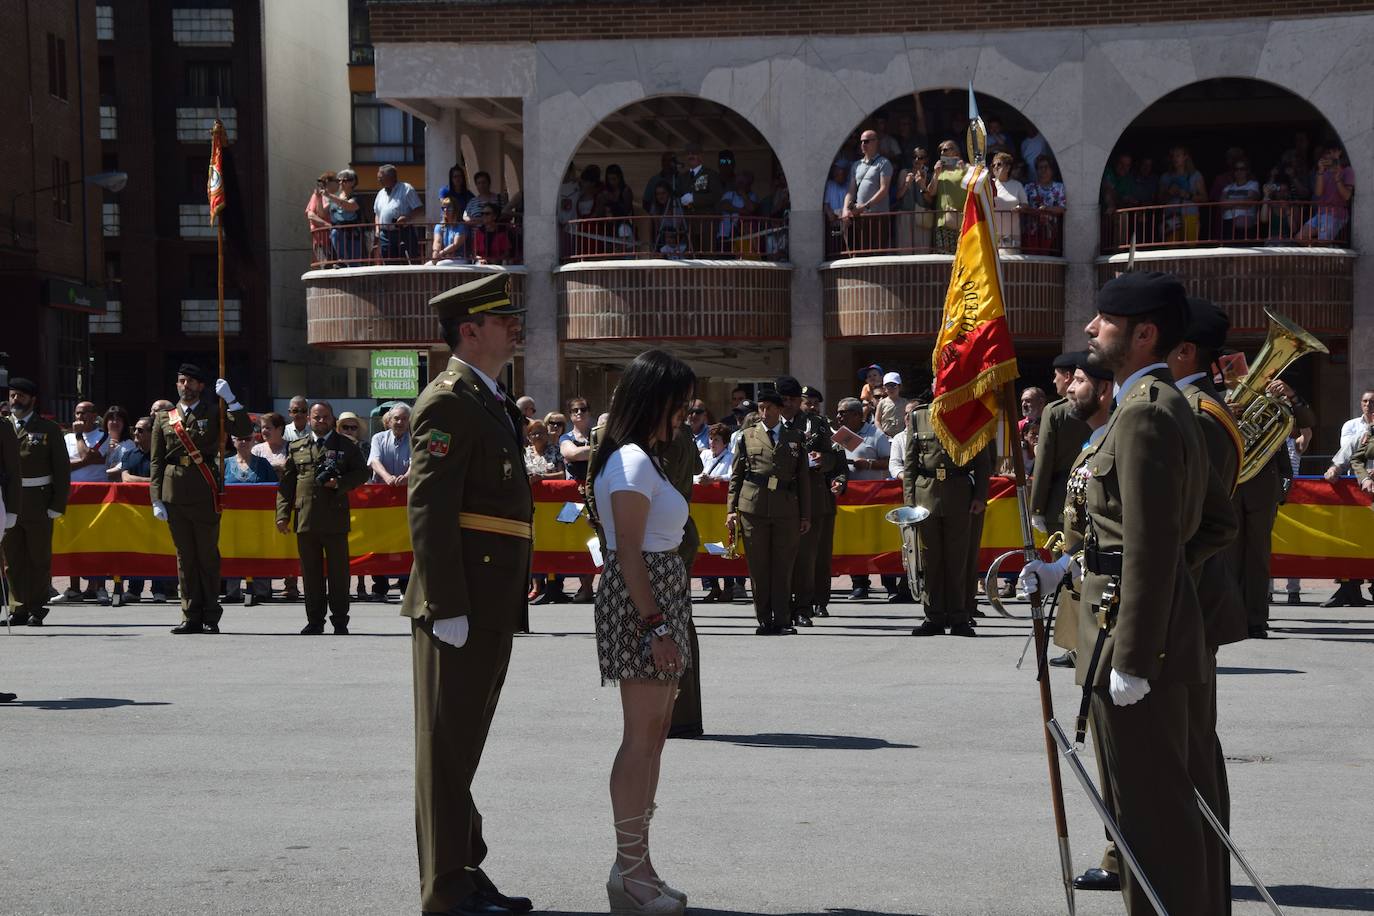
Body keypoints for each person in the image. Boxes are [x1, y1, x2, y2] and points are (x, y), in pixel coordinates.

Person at [1027, 271, 1235, 916]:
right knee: (1157, 811)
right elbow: (1165, 536)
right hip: (1129, 627)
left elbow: (1154, 545)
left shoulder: (1147, 413)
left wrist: (1136, 654)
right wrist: (1080, 568)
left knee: (1152, 820)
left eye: (1105, 320)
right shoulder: (1150, 404)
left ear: (1144, 334)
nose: (1092, 329)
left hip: (1134, 645)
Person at [403, 271, 534, 916]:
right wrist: (445, 603)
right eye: (501, 317)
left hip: (488, 598)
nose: (515, 325)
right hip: (460, 604)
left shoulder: (488, 397)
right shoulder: (448, 399)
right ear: (469, 330)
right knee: (445, 746)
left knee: (463, 744)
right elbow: (428, 509)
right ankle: (446, 888)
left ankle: (460, 865)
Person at [581, 350, 694, 913]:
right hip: (643, 602)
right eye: (682, 402)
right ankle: (630, 871)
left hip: (660, 595)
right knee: (640, 738)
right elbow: (628, 551)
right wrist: (656, 625)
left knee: (653, 738)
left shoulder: (642, 458)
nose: (687, 413)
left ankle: (638, 866)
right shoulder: (628, 460)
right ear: (658, 401)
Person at [149, 363, 252, 634]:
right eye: (181, 381)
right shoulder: (164, 417)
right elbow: (157, 460)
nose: (186, 386)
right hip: (174, 493)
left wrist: (231, 400)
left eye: (191, 382)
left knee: (206, 556)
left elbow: (242, 429)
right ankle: (189, 615)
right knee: (185, 558)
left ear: (201, 386)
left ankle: (210, 616)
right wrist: (156, 498)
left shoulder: (214, 411)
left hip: (204, 489)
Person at [276, 402, 369, 635]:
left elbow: (363, 472)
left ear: (332, 419)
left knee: (339, 574)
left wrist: (340, 484)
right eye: (317, 417)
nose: (321, 421)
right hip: (306, 519)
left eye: (326, 417)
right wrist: (282, 515)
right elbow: (286, 485)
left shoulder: (346, 446)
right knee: (310, 573)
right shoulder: (297, 447)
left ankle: (340, 621)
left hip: (334, 518)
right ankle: (314, 620)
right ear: (309, 419)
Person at [904, 401, 992, 637]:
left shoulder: (971, 414)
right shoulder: (919, 416)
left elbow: (983, 463)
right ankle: (933, 616)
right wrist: (910, 501)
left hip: (959, 492)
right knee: (929, 559)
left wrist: (980, 496)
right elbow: (910, 463)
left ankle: (960, 616)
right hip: (926, 493)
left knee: (959, 560)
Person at [727, 388, 810, 635]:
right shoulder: (746, 436)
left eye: (769, 408)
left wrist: (805, 514)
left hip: (786, 507)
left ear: (779, 409)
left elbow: (803, 478)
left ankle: (783, 619)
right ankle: (764, 619)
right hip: (753, 506)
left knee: (783, 566)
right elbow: (736, 476)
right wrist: (731, 511)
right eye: (760, 408)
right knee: (759, 566)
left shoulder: (794, 437)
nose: (764, 412)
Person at [2, 379, 71, 626]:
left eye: (20, 396)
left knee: (38, 557)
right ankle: (17, 607)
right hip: (9, 501)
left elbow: (62, 470)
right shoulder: (4, 426)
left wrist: (57, 504)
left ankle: (37, 607)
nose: (14, 400)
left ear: (32, 399)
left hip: (38, 500)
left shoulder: (48, 429)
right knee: (12, 559)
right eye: (12, 395)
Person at [778, 377, 845, 624]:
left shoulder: (818, 424)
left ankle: (812, 603)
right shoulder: (772, 424)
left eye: (796, 400)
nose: (793, 405)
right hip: (783, 496)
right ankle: (783, 603)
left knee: (812, 555)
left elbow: (835, 459)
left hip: (815, 496)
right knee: (785, 555)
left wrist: (821, 460)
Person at [1029, 352, 1092, 536]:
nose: (1053, 380)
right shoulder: (1101, 406)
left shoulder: (1055, 411)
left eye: (1056, 375)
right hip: (1094, 494)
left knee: (1063, 560)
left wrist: (1037, 508)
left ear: (1067, 377)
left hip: (1061, 497)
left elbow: (1044, 463)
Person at [1322, 389, 1374, 607]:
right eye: (1366, 402)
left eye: (1373, 402)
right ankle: (1348, 589)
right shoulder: (1358, 431)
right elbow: (1350, 456)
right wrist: (1334, 469)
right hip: (1359, 499)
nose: (1369, 406)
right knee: (1353, 542)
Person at [836, 396, 891, 600]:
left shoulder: (876, 435)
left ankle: (889, 583)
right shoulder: (842, 435)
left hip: (874, 499)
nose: (838, 416)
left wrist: (868, 464)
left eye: (843, 412)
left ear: (858, 415)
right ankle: (859, 584)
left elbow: (889, 462)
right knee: (854, 542)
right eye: (838, 412)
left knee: (879, 540)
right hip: (850, 499)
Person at [223, 432, 277, 607]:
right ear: (233, 440)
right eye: (240, 438)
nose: (244, 441)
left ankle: (262, 590)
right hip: (232, 521)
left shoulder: (263, 464)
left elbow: (275, 488)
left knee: (260, 553)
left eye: (247, 438)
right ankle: (232, 591)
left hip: (259, 520)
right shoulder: (224, 464)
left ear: (254, 440)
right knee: (232, 553)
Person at [369, 403, 413, 601]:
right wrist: (387, 477)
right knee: (379, 543)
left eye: (404, 418)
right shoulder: (378, 438)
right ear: (389, 421)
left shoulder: (415, 440)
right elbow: (374, 461)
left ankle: (405, 586)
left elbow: (417, 463)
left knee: (405, 542)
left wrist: (405, 477)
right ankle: (379, 587)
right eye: (396, 418)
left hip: (407, 500)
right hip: (381, 501)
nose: (400, 422)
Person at [696, 423, 737, 603]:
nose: (712, 442)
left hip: (721, 507)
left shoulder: (730, 457)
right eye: (711, 439)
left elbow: (731, 476)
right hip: (704, 507)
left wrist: (713, 479)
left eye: (717, 440)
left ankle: (729, 586)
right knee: (706, 543)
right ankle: (713, 586)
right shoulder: (704, 455)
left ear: (725, 443)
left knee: (723, 544)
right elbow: (695, 475)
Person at [843, 129, 893, 252]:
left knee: (877, 254)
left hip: (877, 218)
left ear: (876, 142)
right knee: (859, 253)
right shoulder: (856, 165)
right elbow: (851, 191)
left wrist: (864, 207)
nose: (863, 145)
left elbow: (884, 190)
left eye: (866, 141)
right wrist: (845, 209)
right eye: (861, 142)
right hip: (859, 218)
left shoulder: (884, 163)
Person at [924, 139, 968, 253]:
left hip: (963, 219)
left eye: (945, 149)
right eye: (940, 150)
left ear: (956, 151)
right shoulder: (939, 171)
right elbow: (931, 192)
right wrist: (936, 174)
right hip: (944, 221)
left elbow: (974, 186)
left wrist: (964, 170)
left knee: (964, 254)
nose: (942, 152)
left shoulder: (965, 167)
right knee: (945, 255)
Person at [374, 163, 423, 261]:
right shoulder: (380, 193)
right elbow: (377, 213)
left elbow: (419, 209)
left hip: (404, 232)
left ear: (391, 177)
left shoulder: (406, 189)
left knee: (409, 262)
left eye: (381, 177)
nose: (378, 180)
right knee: (389, 263)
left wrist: (407, 217)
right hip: (385, 234)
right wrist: (377, 229)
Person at [1158, 146, 1206, 243]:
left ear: (1185, 157)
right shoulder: (1165, 177)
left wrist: (1188, 195)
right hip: (1171, 217)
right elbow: (1159, 200)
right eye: (1173, 156)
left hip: (1190, 215)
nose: (1175, 158)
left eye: (1178, 155)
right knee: (1171, 249)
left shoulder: (1195, 175)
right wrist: (1169, 193)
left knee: (1190, 248)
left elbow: (1204, 198)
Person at [1024, 155, 1067, 254]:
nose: (1043, 170)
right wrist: (1035, 211)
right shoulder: (1028, 187)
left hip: (1051, 235)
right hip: (1032, 233)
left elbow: (1062, 208)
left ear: (1052, 170)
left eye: (1046, 167)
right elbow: (1024, 206)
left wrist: (1047, 208)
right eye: (1040, 168)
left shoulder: (1059, 187)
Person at [894, 147, 933, 252]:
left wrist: (922, 186)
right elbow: (898, 196)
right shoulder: (904, 173)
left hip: (922, 215)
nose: (917, 160)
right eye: (914, 157)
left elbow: (931, 201)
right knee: (904, 250)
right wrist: (907, 184)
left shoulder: (930, 176)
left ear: (926, 160)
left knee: (922, 250)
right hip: (906, 214)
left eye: (920, 157)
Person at [989, 151, 1027, 251]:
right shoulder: (988, 185)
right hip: (993, 233)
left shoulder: (1017, 185)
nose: (995, 167)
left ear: (1007, 168)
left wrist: (1019, 208)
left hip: (1012, 234)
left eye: (999, 164)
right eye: (993, 165)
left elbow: (1025, 205)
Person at [325, 169, 363, 264]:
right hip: (337, 235)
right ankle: (342, 261)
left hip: (353, 235)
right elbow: (323, 213)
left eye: (344, 180)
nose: (341, 183)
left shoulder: (356, 197)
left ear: (353, 182)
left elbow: (349, 206)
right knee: (342, 263)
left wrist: (330, 195)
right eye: (339, 180)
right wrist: (317, 197)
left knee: (354, 263)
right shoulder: (335, 198)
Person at [306, 171, 337, 263]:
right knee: (325, 265)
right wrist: (328, 225)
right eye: (336, 181)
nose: (339, 183)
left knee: (334, 265)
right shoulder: (316, 196)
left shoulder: (334, 198)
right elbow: (311, 215)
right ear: (328, 182)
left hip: (332, 240)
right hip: (320, 241)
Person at [429, 197, 468, 265]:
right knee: (427, 266)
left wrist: (442, 253)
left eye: (449, 208)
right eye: (443, 208)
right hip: (445, 258)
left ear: (455, 210)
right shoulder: (439, 226)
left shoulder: (461, 226)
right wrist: (435, 252)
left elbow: (456, 244)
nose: (445, 210)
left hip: (460, 258)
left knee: (440, 265)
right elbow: (437, 241)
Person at [874, 371, 908, 438]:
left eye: (894, 386)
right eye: (888, 386)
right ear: (884, 388)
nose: (891, 389)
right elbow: (877, 420)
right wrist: (882, 433)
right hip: (885, 435)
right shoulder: (882, 403)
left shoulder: (905, 402)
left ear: (900, 387)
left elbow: (908, 419)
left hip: (901, 435)